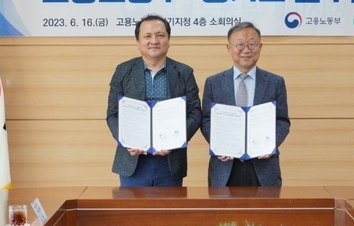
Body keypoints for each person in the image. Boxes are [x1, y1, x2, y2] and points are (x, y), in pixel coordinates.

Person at [106, 14, 202, 186]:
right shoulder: (123, 71)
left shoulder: (184, 72)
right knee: (130, 205)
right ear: (138, 42)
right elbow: (113, 114)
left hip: (170, 161)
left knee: (170, 205)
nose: (154, 41)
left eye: (160, 35)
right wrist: (126, 140)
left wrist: (176, 140)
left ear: (168, 40)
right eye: (147, 36)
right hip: (133, 161)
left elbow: (195, 113)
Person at [201, 22, 291, 187]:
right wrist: (219, 144)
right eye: (240, 45)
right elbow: (206, 120)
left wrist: (270, 144)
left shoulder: (275, 82)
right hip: (225, 166)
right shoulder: (214, 82)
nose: (246, 50)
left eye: (252, 44)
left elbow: (282, 121)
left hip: (264, 166)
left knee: (266, 205)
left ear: (260, 47)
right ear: (229, 48)